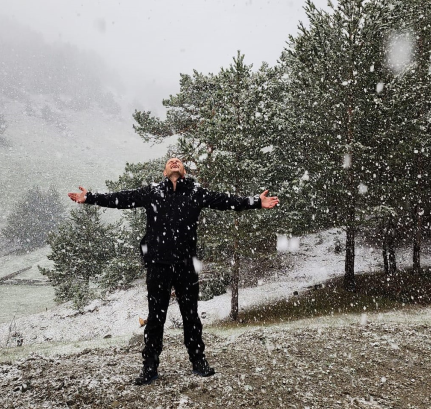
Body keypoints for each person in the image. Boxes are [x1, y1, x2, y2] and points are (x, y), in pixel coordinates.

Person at [68, 157, 279, 385]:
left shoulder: (196, 192)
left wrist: (256, 202)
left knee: (191, 317)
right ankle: (149, 368)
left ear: (184, 171)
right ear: (164, 170)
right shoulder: (152, 192)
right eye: (171, 161)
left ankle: (198, 361)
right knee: (155, 319)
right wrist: (89, 198)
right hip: (158, 266)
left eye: (178, 161)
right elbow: (122, 198)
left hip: (186, 266)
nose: (175, 161)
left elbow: (226, 201)